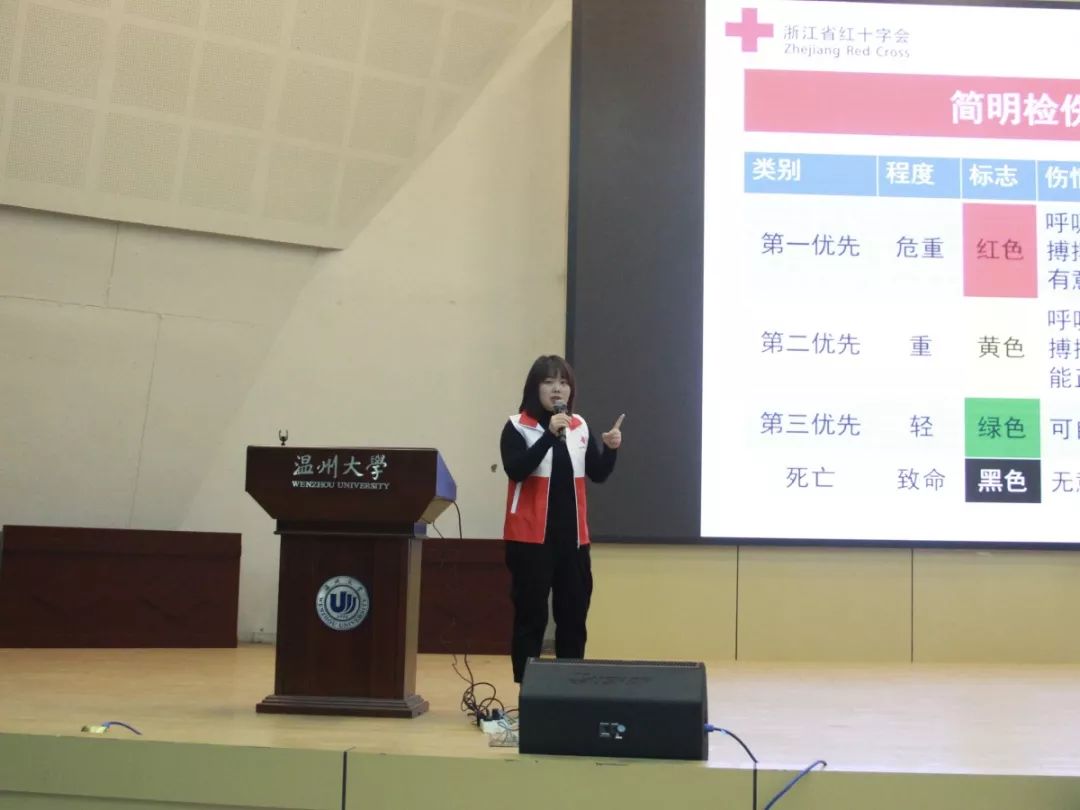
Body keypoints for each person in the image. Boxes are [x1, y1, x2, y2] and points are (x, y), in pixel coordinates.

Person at [499, 354, 623, 683]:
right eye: (549, 382)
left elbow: (598, 473)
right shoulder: (517, 427)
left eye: (564, 382)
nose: (558, 389)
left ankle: (571, 688)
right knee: (531, 618)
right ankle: (528, 690)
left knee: (573, 616)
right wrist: (548, 436)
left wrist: (611, 449)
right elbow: (516, 469)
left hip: (574, 540)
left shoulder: (578, 426)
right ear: (534, 388)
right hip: (530, 541)